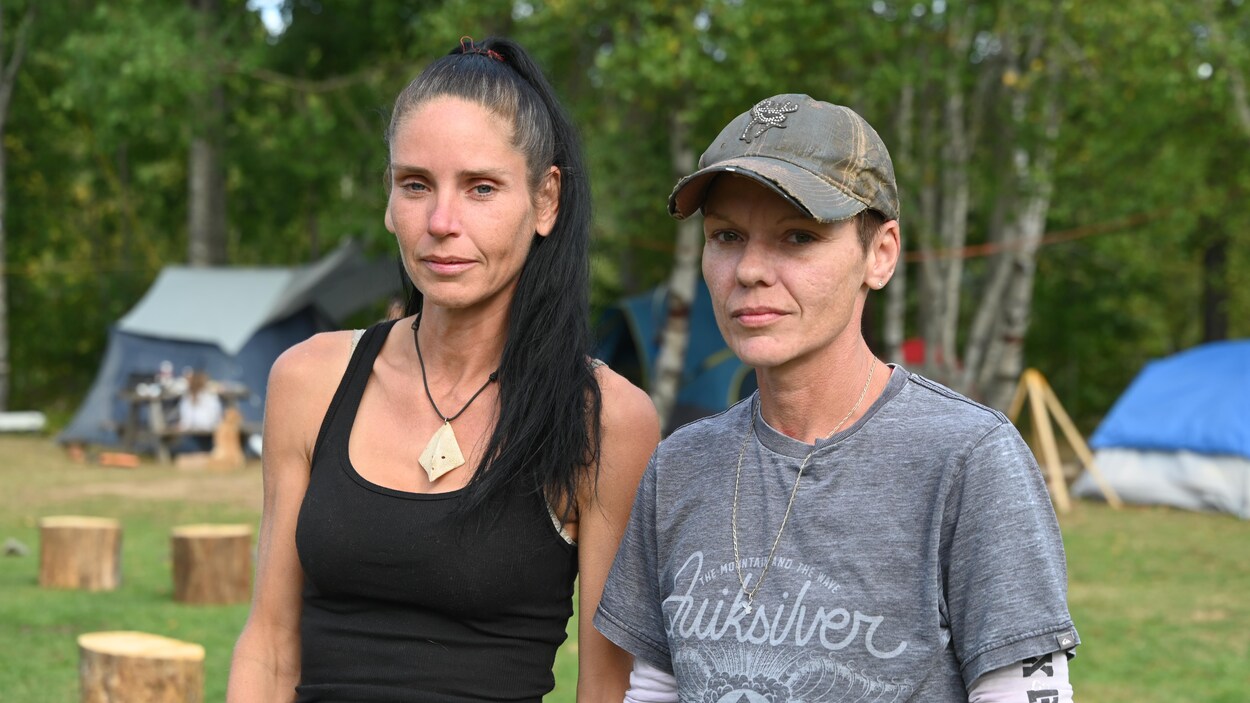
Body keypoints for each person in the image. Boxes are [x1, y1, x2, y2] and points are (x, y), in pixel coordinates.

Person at [594, 94, 1078, 702]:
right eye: (726, 236)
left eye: (797, 237)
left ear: (880, 255)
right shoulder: (681, 465)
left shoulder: (967, 458)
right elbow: (654, 688)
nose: (749, 270)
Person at [227, 36, 659, 703]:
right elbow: (269, 643)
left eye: (481, 187)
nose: (441, 221)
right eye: (415, 185)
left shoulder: (604, 418)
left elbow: (605, 685)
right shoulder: (309, 379)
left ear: (546, 200)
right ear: (388, 197)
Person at [174, 370, 222, 454]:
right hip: (209, 428)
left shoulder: (188, 397)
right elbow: (216, 415)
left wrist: (180, 427)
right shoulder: (210, 395)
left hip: (202, 430)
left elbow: (186, 421)